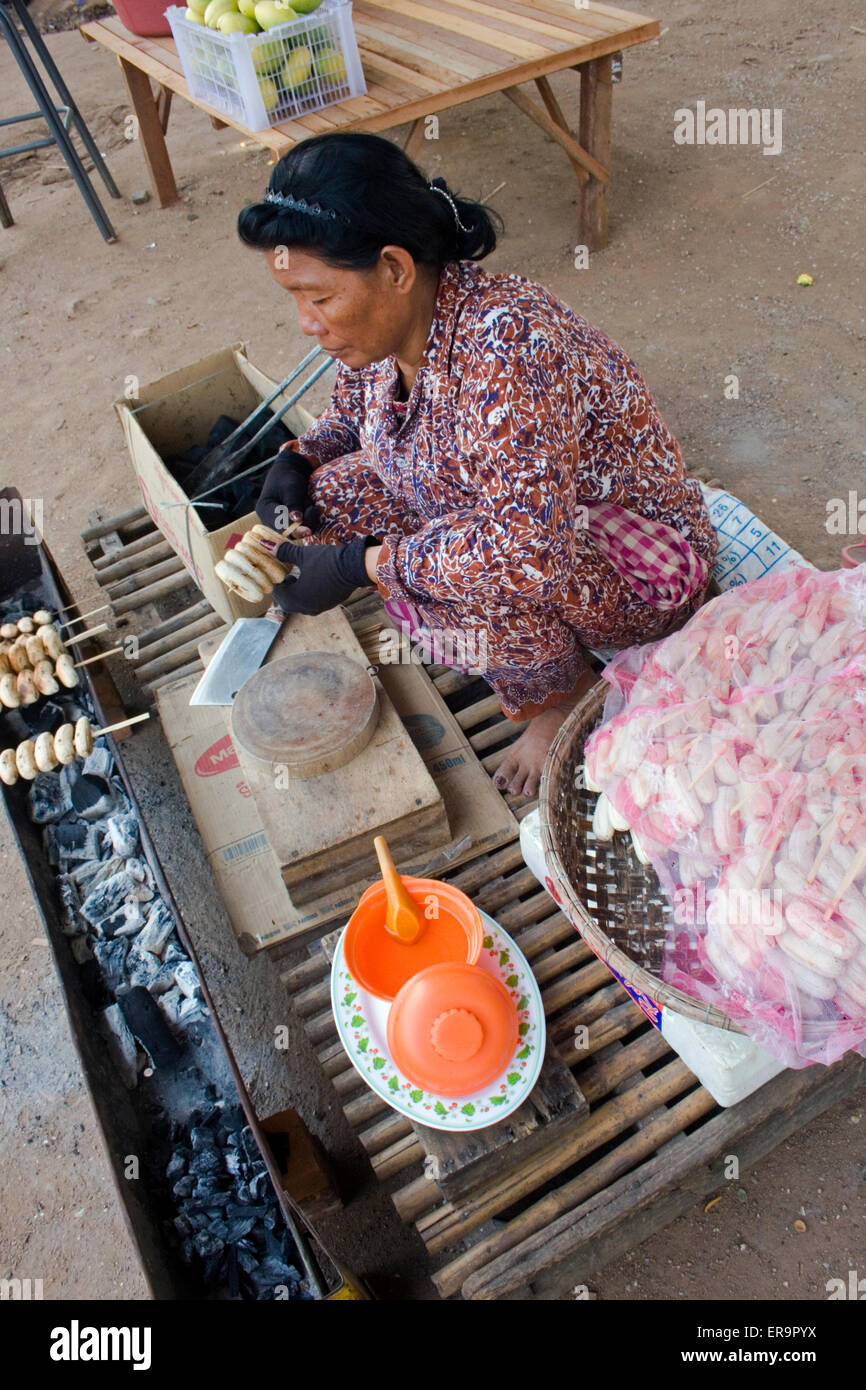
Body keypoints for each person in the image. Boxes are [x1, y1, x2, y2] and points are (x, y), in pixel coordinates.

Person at [237, 132, 717, 798]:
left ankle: (560, 699)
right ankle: (519, 651)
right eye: (295, 298)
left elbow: (526, 553)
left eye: (319, 298)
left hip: (633, 562)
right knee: (326, 503)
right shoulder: (391, 329)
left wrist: (364, 563)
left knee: (460, 576)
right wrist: (300, 458)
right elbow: (351, 414)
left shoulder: (509, 347)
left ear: (396, 269)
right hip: (509, 520)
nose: (305, 322)